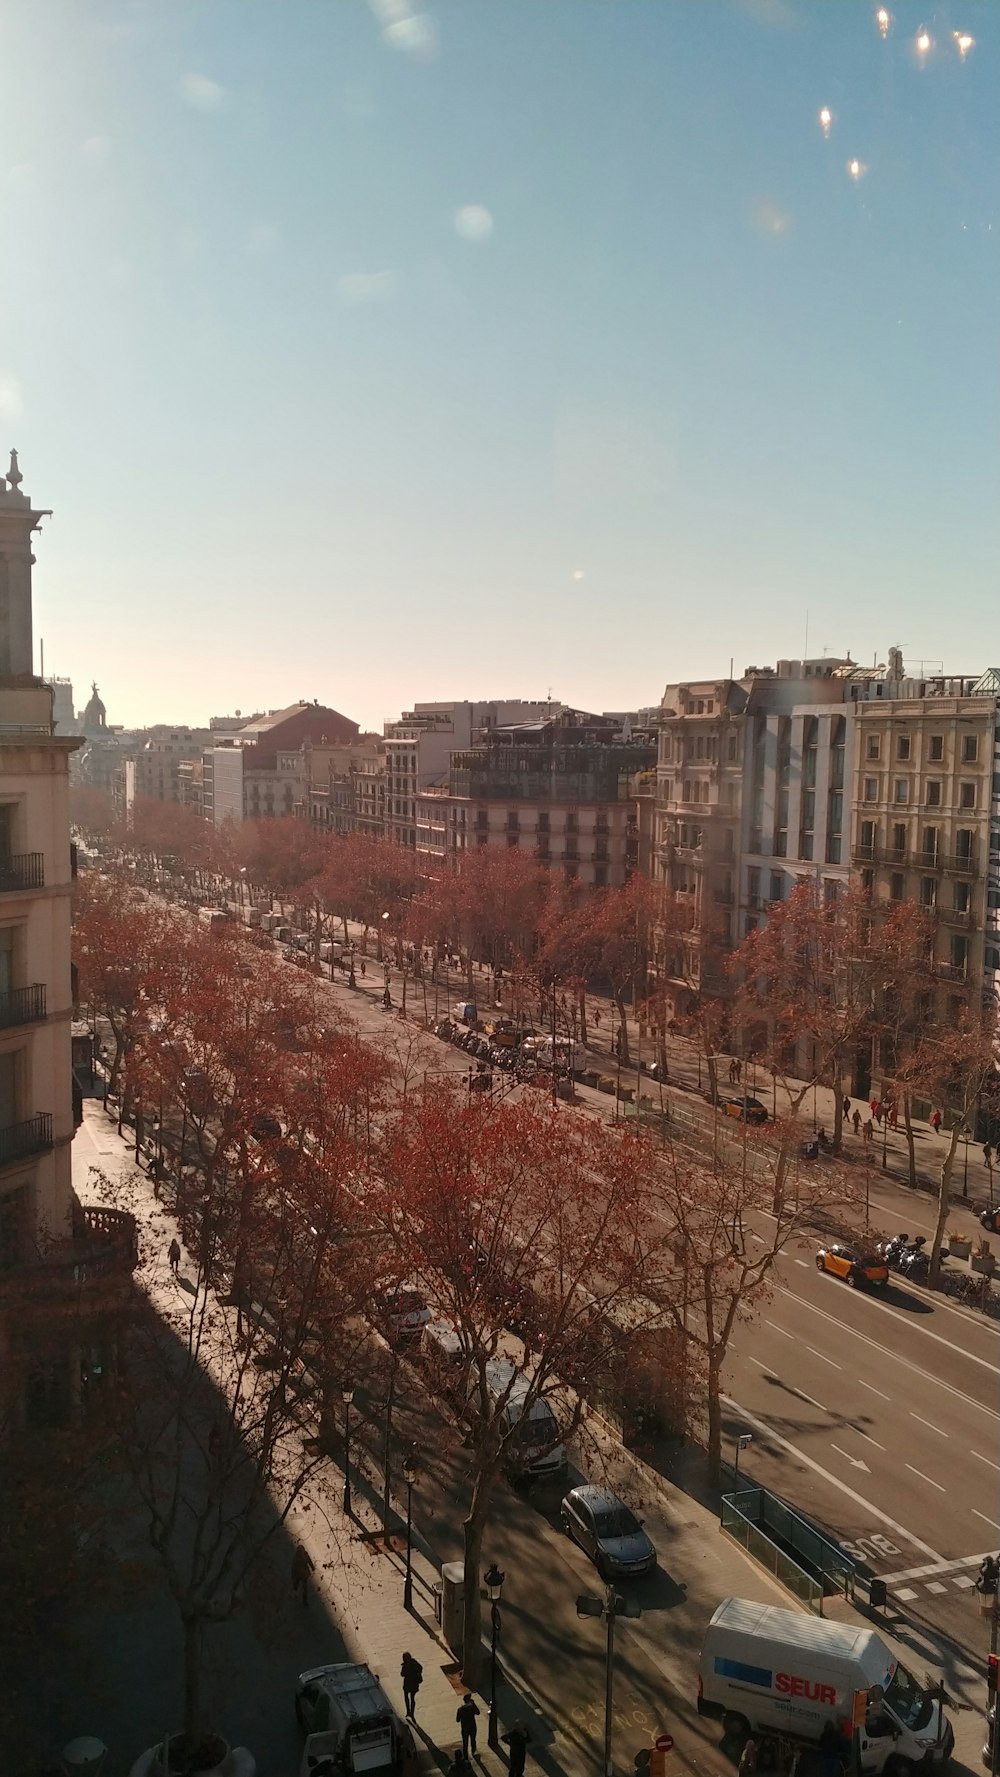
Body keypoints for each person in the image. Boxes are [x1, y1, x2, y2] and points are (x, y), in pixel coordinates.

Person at [400, 1652, 423, 1721]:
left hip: (408, 1683)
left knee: (407, 1697)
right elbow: (420, 1668)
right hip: (413, 1683)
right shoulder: (413, 1662)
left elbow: (402, 1674)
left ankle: (409, 1712)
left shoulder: (406, 1665)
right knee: (412, 1698)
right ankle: (411, 1713)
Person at [291, 1542, 314, 1608]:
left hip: (301, 1574)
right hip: (301, 1574)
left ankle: (304, 1600)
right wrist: (312, 1567)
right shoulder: (302, 1556)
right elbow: (309, 1561)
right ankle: (302, 1599)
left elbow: (309, 1561)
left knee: (302, 1587)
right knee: (299, 1585)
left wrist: (312, 1567)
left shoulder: (297, 1557)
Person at [457, 1694, 480, 1759]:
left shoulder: (460, 1709)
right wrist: (474, 1704)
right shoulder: (472, 1707)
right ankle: (473, 1752)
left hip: (464, 1728)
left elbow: (457, 1720)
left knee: (465, 1743)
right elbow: (478, 1712)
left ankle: (466, 1757)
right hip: (472, 1727)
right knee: (473, 1740)